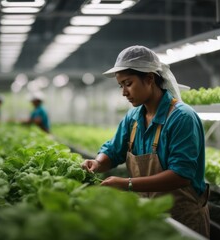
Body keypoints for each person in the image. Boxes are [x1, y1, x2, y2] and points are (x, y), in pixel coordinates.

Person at [81, 45, 210, 238]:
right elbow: (114, 150)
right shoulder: (133, 117)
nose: (124, 92)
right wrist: (98, 162)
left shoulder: (181, 117)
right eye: (121, 85)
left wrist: (127, 184)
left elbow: (181, 175)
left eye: (128, 83)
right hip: (147, 216)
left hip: (182, 219)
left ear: (149, 78)